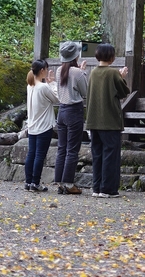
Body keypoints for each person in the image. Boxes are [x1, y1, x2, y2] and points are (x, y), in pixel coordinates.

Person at [84, 43, 130, 198]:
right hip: (109, 120)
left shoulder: (93, 72)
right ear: (111, 57)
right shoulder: (113, 73)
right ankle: (108, 189)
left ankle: (96, 188)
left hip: (93, 120)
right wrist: (122, 77)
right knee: (111, 155)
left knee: (97, 155)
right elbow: (123, 92)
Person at [53, 41, 89, 195]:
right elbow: (85, 92)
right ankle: (68, 183)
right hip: (74, 111)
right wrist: (83, 72)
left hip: (61, 111)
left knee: (62, 148)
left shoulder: (58, 70)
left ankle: (60, 182)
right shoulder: (78, 72)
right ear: (76, 56)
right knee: (72, 149)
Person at [23, 58, 58, 192]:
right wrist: (52, 83)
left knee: (31, 154)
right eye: (46, 69)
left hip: (32, 125)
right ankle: (35, 183)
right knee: (39, 155)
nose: (47, 71)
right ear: (42, 70)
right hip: (44, 126)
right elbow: (56, 99)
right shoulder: (43, 87)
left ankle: (28, 182)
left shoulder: (30, 86)